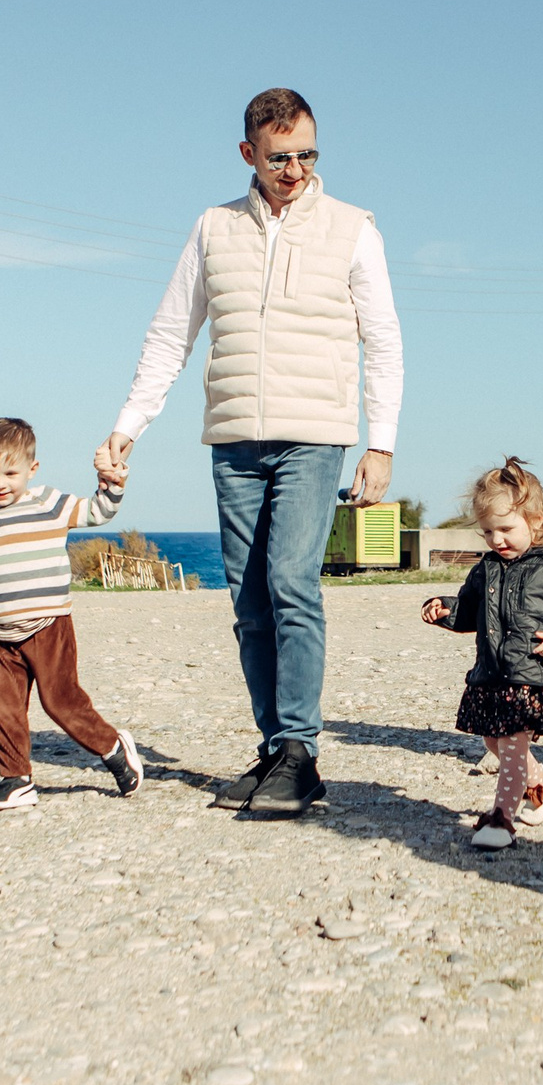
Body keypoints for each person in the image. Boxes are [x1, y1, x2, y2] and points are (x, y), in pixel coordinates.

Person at [96, 88, 403, 818]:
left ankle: (301, 751)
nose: (294, 169)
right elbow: (172, 334)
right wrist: (126, 426)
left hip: (314, 433)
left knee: (292, 581)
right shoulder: (212, 229)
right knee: (249, 599)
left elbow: (383, 338)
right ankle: (274, 748)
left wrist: (380, 442)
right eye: (279, 157)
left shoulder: (354, 229)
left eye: (306, 154)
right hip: (234, 440)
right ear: (248, 155)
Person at [420, 459, 543, 850]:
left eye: (507, 529)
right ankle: (541, 781)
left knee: (510, 744)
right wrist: (446, 610)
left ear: (537, 520)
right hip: (493, 673)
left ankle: (501, 819)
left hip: (533, 674)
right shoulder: (487, 568)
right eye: (488, 531)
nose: (497, 540)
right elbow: (469, 610)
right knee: (493, 742)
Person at [0, 417, 145, 812]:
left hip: (49, 625)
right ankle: (15, 779)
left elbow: (97, 512)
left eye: (10, 472)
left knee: (61, 702)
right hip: (3, 633)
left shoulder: (48, 503)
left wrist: (112, 482)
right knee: (3, 707)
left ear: (31, 469)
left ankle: (113, 748)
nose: (0, 482)